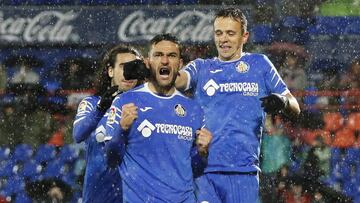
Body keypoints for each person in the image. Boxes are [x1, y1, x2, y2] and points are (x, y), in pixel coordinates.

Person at [123, 8, 300, 202]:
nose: (223, 39)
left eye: (230, 33)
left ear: (245, 37)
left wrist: (282, 101)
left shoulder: (260, 64)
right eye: (219, 33)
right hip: (204, 172)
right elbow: (176, 78)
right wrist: (149, 70)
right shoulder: (201, 67)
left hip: (244, 172)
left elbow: (294, 105)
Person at [105, 34, 212, 203]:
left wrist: (202, 153)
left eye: (171, 56)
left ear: (180, 64)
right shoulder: (125, 101)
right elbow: (111, 158)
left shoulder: (193, 110)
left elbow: (196, 169)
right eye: (158, 55)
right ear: (148, 62)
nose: (165, 61)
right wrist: (122, 129)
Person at [72, 44, 143, 203]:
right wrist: (101, 108)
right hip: (98, 196)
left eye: (134, 67)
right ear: (110, 70)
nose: (129, 73)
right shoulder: (92, 103)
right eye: (124, 67)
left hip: (134, 196)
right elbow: (78, 134)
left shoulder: (148, 106)